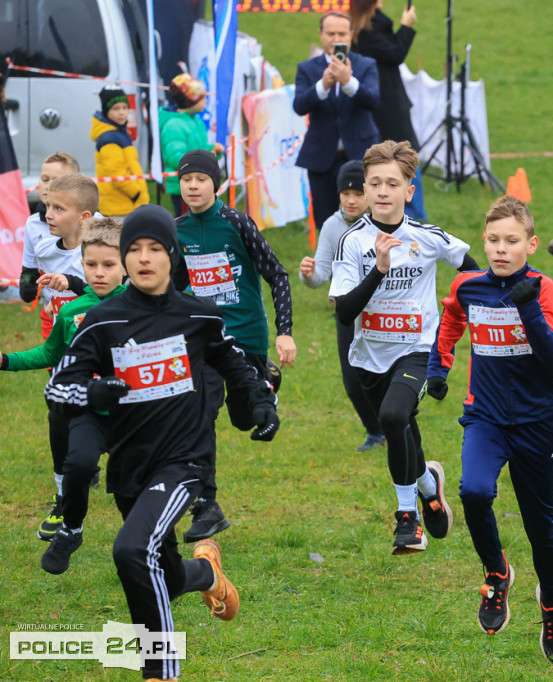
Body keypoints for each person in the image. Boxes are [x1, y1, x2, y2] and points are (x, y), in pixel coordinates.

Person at [45, 203, 279, 682]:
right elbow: (58, 388)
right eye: (134, 249)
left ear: (172, 255)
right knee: (162, 573)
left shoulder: (199, 314)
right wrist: (92, 392)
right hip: (130, 465)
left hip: (184, 461)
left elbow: (234, 362)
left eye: (155, 248)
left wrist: (261, 402)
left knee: (131, 550)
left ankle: (160, 670)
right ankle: (205, 574)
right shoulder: (102, 321)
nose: (144, 258)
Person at [427, 196, 553, 661]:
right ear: (484, 242)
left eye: (512, 241)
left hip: (538, 423)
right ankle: (497, 573)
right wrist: (439, 367)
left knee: (540, 524)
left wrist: (528, 309)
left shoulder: (542, 288)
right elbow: (452, 316)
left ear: (531, 244)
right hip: (486, 417)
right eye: (493, 240)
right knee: (473, 491)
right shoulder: (469, 286)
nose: (501, 249)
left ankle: (552, 605)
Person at [329, 140, 477, 555]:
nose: (382, 191)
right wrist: (379, 270)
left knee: (393, 417)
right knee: (404, 429)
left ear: (409, 191)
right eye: (375, 183)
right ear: (365, 188)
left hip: (418, 349)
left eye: (392, 184)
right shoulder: (352, 241)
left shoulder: (426, 237)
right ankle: (429, 484)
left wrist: (478, 309)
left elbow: (471, 270)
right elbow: (345, 313)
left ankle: (407, 520)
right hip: (369, 357)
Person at [171, 149, 295, 543]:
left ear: (217, 184)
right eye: (186, 179)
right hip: (205, 339)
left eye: (201, 179)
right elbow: (174, 285)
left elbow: (277, 274)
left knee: (244, 420)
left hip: (246, 335)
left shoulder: (236, 223)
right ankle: (206, 506)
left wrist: (285, 331)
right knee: (199, 414)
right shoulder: (175, 230)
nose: (193, 186)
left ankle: (265, 383)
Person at [1, 218, 126, 573]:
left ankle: (154, 542)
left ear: (126, 265)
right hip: (88, 410)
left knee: (132, 487)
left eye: (108, 264)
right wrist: (6, 360)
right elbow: (50, 352)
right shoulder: (71, 311)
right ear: (81, 264)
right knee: (79, 465)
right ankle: (72, 528)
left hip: (133, 411)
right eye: (91, 264)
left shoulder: (141, 305)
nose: (98, 273)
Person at [26, 173, 98, 540]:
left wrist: (75, 284)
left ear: (85, 217)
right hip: (66, 356)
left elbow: (116, 295)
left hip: (107, 357)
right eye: (47, 206)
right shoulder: (45, 247)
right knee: (58, 417)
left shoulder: (103, 250)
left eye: (58, 208)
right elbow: (50, 300)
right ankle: (62, 496)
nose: (48, 214)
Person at [299, 159, 386, 452]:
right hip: (348, 313)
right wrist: (308, 274)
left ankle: (397, 426)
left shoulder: (386, 223)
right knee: (352, 381)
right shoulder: (331, 227)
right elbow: (321, 275)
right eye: (345, 194)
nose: (351, 200)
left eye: (358, 194)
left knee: (385, 376)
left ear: (369, 192)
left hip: (383, 312)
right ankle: (375, 432)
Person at [294, 11, 381, 231]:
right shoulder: (307, 68)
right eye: (330, 33)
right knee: (325, 222)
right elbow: (299, 106)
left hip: (359, 154)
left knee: (367, 221)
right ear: (320, 34)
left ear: (351, 34)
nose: (336, 39)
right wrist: (322, 85)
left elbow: (373, 100)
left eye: (342, 34)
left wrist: (347, 81)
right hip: (322, 157)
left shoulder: (366, 65)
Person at [350, 0, 427, 222]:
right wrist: (406, 26)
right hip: (386, 105)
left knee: (395, 157)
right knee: (403, 156)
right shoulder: (366, 30)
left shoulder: (370, 24)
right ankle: (412, 214)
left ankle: (404, 212)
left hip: (385, 101)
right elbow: (395, 53)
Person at [19, 152, 79, 326]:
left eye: (57, 181)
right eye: (44, 179)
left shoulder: (92, 220)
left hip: (88, 306)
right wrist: (27, 283)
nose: (48, 186)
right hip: (52, 310)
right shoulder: (32, 224)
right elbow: (30, 265)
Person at [158, 73, 224, 216]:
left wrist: (214, 151)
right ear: (190, 101)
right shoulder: (174, 126)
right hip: (184, 188)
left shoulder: (196, 122)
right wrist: (206, 158)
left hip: (199, 184)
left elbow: (199, 149)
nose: (206, 100)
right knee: (187, 223)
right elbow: (175, 158)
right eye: (201, 97)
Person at [91, 85, 148, 218]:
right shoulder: (109, 138)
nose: (122, 112)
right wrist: (135, 193)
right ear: (106, 111)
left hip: (125, 204)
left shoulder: (120, 132)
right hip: (118, 207)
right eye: (116, 108)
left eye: (125, 107)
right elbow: (116, 172)